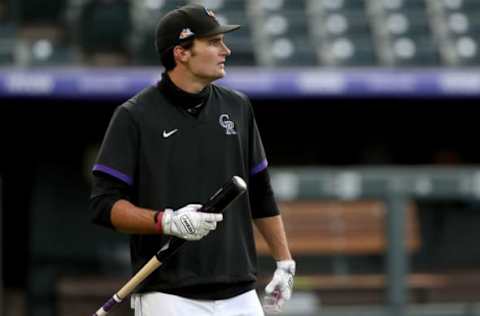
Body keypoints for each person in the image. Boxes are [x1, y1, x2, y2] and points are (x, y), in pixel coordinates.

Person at [89, 4, 295, 315]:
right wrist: (167, 221)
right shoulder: (134, 116)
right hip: (169, 293)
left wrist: (284, 262)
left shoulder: (239, 107)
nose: (225, 50)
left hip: (239, 291)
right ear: (181, 53)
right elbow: (104, 206)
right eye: (213, 43)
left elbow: (261, 192)